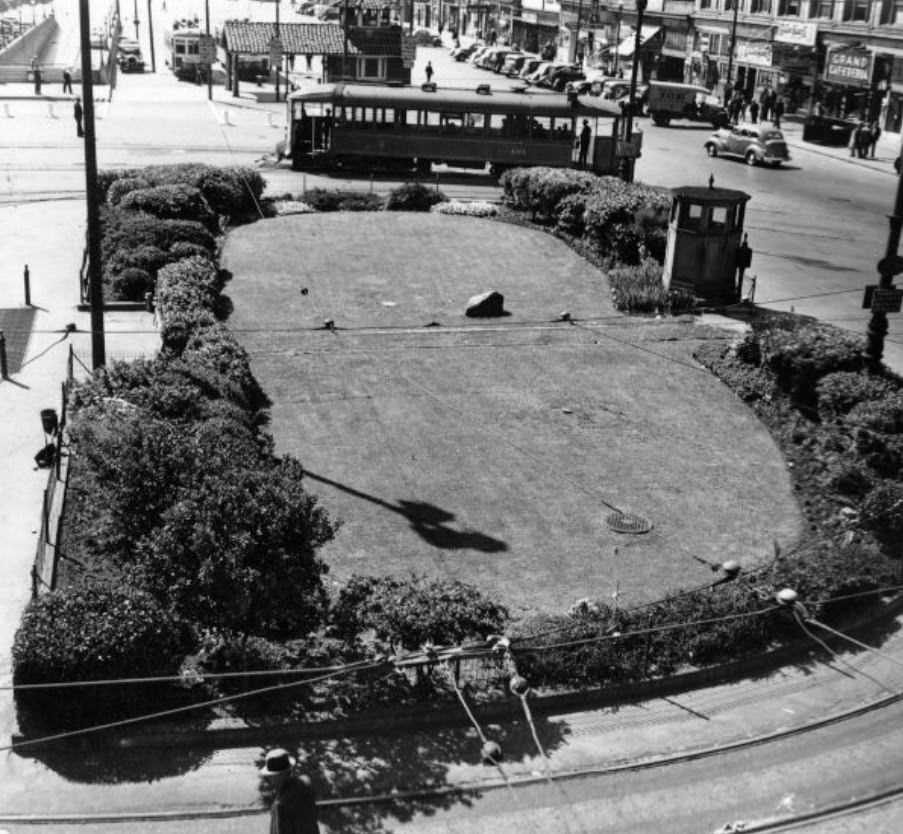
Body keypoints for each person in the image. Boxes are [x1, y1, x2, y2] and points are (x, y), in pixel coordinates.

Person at [260, 748, 319, 834]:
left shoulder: (280, 805)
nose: (267, 778)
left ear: (282, 774)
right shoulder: (306, 782)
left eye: (271, 776)